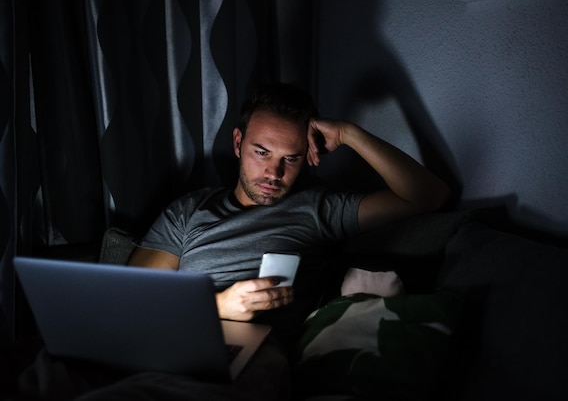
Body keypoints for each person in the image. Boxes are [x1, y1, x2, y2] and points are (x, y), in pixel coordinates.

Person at [8, 83, 450, 401]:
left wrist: (351, 133)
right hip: (170, 338)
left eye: (290, 160)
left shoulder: (317, 209)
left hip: (251, 349)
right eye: (262, 152)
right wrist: (218, 306)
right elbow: (136, 305)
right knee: (46, 368)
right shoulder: (188, 212)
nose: (274, 174)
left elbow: (428, 195)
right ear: (238, 143)